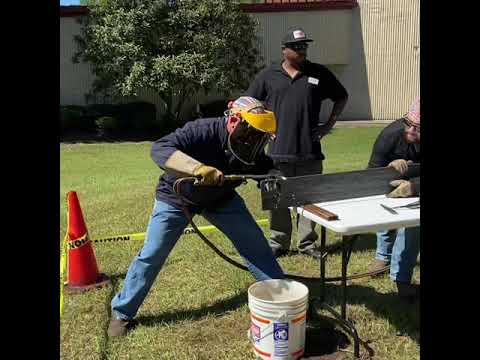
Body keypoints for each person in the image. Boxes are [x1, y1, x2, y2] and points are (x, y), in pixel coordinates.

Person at [108, 96, 285, 337]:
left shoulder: (249, 150)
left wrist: (275, 177)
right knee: (153, 253)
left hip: (221, 199)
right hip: (177, 198)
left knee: (256, 245)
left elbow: (265, 168)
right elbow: (160, 148)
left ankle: (282, 298)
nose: (254, 140)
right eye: (251, 132)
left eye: (260, 137)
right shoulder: (201, 130)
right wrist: (197, 169)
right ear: (234, 120)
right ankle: (122, 312)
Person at [245, 26, 349, 259]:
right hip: (277, 153)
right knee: (277, 198)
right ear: (284, 50)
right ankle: (279, 242)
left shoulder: (319, 73)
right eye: (296, 47)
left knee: (309, 198)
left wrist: (328, 125)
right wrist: (261, 129)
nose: (302, 50)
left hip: (309, 152)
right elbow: (249, 101)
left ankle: (307, 244)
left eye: (304, 46)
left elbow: (341, 96)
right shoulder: (268, 76)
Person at [367, 97, 420, 300]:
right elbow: (370, 172)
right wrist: (387, 170)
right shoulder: (390, 134)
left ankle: (401, 277)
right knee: (386, 209)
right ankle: (382, 257)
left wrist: (414, 187)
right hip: (391, 185)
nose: (411, 131)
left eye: (418, 128)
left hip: (416, 186)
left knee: (414, 225)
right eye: (409, 124)